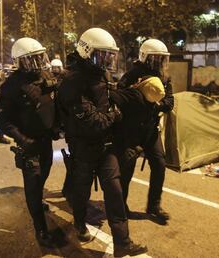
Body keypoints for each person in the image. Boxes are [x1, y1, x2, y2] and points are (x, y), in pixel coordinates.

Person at [58, 27, 147, 257]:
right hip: (83, 147)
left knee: (115, 195)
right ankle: (79, 224)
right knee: (81, 193)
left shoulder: (101, 75)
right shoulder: (72, 81)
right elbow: (93, 122)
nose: (107, 60)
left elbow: (105, 106)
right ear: (86, 51)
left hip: (106, 147)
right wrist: (115, 115)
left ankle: (122, 244)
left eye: (109, 55)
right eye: (102, 55)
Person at [0, 37, 58, 247]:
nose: (38, 63)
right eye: (32, 60)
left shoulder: (45, 76)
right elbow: (3, 120)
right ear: (20, 62)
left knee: (44, 176)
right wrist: (23, 140)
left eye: (39, 58)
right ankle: (41, 228)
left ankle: (38, 201)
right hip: (29, 144)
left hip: (46, 141)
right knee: (33, 184)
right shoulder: (11, 86)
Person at [117, 39, 174, 223]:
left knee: (159, 164)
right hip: (131, 130)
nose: (159, 63)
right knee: (127, 169)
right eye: (156, 59)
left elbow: (169, 102)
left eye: (162, 59)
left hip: (151, 129)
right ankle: (121, 206)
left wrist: (153, 106)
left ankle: (154, 206)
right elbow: (121, 98)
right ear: (145, 57)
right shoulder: (131, 75)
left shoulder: (164, 78)